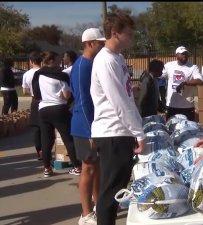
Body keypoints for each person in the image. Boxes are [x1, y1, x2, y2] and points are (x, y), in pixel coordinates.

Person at [90, 13, 145, 225]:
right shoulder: (105, 61)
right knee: (110, 191)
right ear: (115, 33)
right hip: (112, 131)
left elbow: (128, 97)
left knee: (117, 189)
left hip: (121, 131)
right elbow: (119, 101)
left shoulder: (119, 58)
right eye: (128, 34)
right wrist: (138, 133)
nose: (132, 38)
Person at [70, 27, 105, 225]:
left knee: (96, 167)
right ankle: (86, 214)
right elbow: (83, 101)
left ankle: (98, 205)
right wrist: (91, 129)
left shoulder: (90, 64)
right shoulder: (83, 66)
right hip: (86, 126)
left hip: (92, 124)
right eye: (100, 43)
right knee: (88, 168)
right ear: (90, 43)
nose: (102, 46)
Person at [32, 51, 81, 177]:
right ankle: (77, 166)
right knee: (68, 138)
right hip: (59, 108)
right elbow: (66, 95)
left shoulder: (38, 74)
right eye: (59, 58)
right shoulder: (60, 75)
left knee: (46, 139)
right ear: (52, 60)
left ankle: (47, 168)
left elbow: (36, 94)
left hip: (43, 109)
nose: (61, 61)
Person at [160, 46, 203, 121]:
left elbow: (200, 80)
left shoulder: (193, 67)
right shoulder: (169, 66)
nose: (185, 55)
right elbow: (159, 75)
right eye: (182, 53)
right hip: (172, 105)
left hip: (187, 106)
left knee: (189, 129)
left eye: (186, 54)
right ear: (176, 55)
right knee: (171, 128)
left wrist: (185, 83)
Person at [21, 51, 43, 160]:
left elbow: (25, 91)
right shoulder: (44, 72)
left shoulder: (27, 74)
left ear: (31, 61)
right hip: (45, 100)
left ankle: (39, 150)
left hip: (35, 100)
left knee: (36, 127)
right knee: (46, 127)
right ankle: (46, 149)